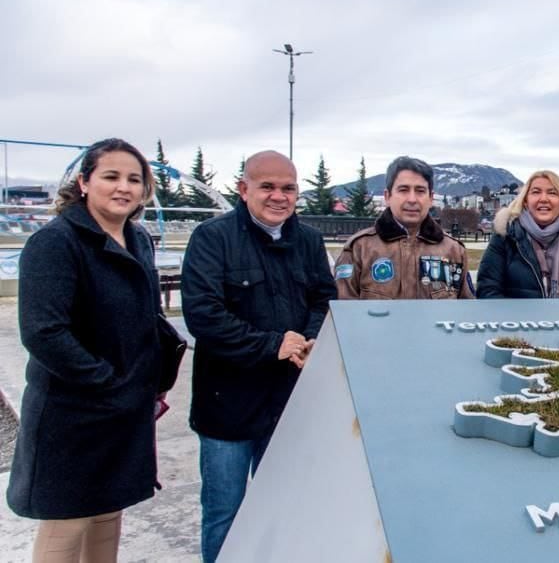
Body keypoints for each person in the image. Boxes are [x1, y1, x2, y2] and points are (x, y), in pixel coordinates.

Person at [7, 138, 162, 562]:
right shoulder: (56, 243)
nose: (123, 187)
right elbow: (43, 332)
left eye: (134, 179)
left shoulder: (138, 239)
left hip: (125, 408)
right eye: (110, 176)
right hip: (73, 413)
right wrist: (106, 383)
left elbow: (146, 317)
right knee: (66, 523)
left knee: (107, 516)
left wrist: (156, 374)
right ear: (84, 182)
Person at [181, 150, 335, 561]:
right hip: (227, 406)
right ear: (243, 188)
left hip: (287, 404)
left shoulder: (309, 241)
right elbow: (203, 315)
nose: (278, 196)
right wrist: (271, 345)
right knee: (225, 513)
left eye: (288, 188)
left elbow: (324, 299)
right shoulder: (213, 238)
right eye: (267, 186)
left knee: (281, 507)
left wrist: (313, 337)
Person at [335, 156, 474, 299]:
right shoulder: (359, 249)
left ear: (431, 198)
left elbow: (467, 312)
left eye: (420, 191)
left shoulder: (453, 251)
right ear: (388, 196)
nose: (412, 199)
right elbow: (343, 313)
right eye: (403, 190)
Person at [476, 170, 559, 298]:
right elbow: (488, 290)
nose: (543, 199)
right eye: (536, 192)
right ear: (525, 202)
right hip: (520, 320)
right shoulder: (505, 237)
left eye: (552, 193)